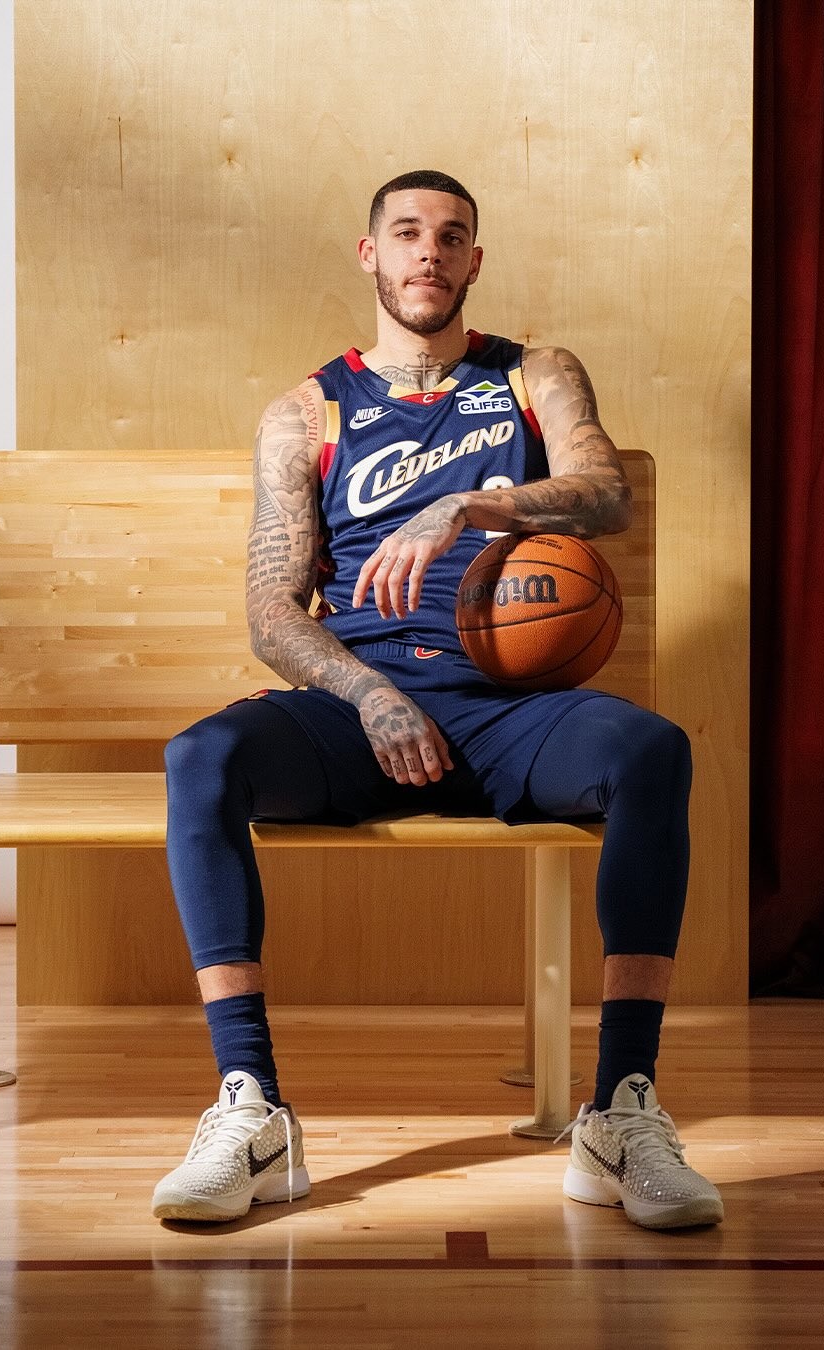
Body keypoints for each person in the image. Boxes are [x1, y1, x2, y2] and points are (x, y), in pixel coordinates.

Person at [152, 170, 723, 1231]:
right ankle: (251, 1108)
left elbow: (607, 494)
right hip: (359, 709)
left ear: (474, 261)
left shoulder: (533, 377)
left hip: (510, 708)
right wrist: (369, 693)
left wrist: (469, 505)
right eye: (408, 233)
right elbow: (271, 613)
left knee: (651, 751)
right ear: (371, 254)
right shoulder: (307, 412)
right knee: (202, 758)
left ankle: (621, 1110)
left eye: (452, 237)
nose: (430, 252)